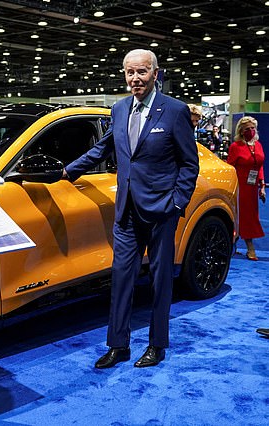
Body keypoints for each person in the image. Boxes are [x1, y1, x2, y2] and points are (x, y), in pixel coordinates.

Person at [63, 49, 199, 368]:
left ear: (155, 73)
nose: (134, 78)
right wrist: (69, 170)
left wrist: (177, 203)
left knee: (159, 280)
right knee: (121, 278)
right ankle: (118, 345)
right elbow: (105, 147)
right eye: (129, 73)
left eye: (141, 72)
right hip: (126, 211)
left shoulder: (175, 111)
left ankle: (157, 344)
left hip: (161, 211)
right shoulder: (120, 108)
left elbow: (189, 164)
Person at [227, 116, 265, 260]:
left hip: (252, 187)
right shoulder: (235, 147)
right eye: (247, 129)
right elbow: (230, 167)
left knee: (249, 216)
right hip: (240, 186)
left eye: (253, 128)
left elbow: (259, 166)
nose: (251, 131)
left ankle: (233, 244)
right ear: (241, 131)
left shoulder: (258, 145)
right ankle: (250, 248)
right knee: (242, 216)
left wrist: (262, 186)